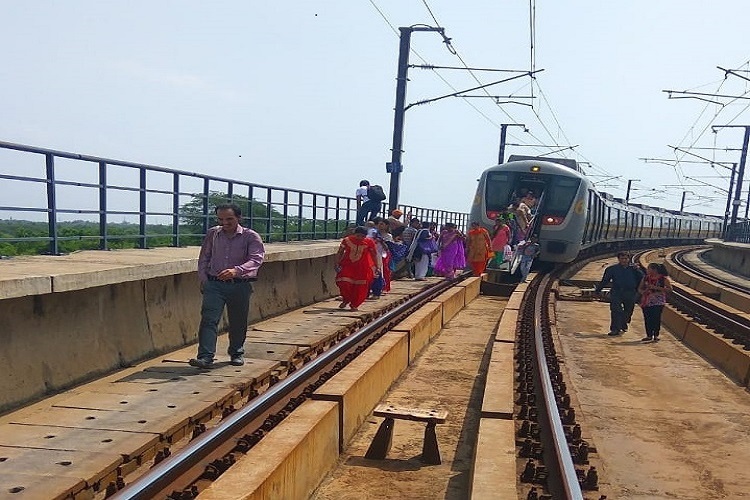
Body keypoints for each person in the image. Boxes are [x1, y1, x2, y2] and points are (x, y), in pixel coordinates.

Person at [190, 204, 266, 369]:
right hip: (214, 284)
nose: (225, 223)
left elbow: (256, 259)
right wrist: (203, 279)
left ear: (239, 218)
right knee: (209, 319)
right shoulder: (213, 234)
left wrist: (236, 271)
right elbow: (204, 257)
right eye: (221, 219)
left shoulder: (250, 237)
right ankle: (205, 357)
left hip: (239, 285)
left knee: (238, 321)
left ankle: (236, 352)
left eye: (229, 219)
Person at [594, 252, 644, 336]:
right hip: (616, 292)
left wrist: (638, 270)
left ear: (628, 259)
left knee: (628, 311)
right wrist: (598, 290)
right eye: (622, 258)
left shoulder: (634, 269)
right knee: (616, 310)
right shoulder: (612, 269)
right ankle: (615, 329)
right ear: (618, 259)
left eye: (626, 258)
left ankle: (623, 323)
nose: (624, 260)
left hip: (630, 292)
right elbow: (605, 280)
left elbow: (642, 279)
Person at [335, 226, 379, 311]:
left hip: (362, 267)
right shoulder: (347, 240)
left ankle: (354, 304)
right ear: (354, 234)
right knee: (343, 282)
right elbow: (340, 252)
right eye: (358, 235)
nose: (360, 238)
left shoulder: (369, 242)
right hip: (347, 265)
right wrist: (336, 263)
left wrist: (377, 267)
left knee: (360, 287)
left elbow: (374, 255)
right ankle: (346, 298)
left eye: (362, 236)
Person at [638, 263, 672, 342]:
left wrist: (656, 288)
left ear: (654, 270)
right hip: (646, 300)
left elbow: (670, 290)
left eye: (648, 269)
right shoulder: (646, 278)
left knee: (656, 317)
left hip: (658, 301)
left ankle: (656, 334)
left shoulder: (663, 279)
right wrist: (643, 292)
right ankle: (649, 335)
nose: (647, 270)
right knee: (647, 318)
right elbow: (639, 288)